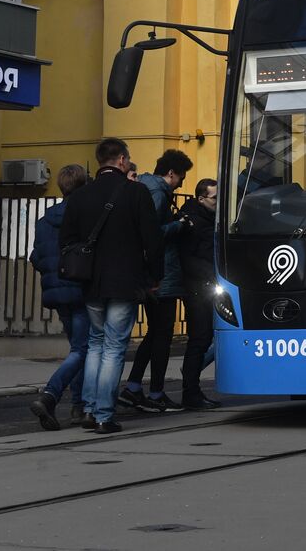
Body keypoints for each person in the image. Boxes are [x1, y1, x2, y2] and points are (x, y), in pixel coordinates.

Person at [62, 138, 161, 434]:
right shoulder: (136, 193)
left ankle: (90, 410)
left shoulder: (80, 196)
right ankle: (105, 414)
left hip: (91, 282)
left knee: (95, 343)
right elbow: (152, 240)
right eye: (128, 159)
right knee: (115, 346)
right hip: (124, 281)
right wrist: (155, 276)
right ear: (121, 160)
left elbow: (66, 239)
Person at [120, 150, 192, 413]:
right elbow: (152, 233)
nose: (182, 183)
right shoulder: (158, 193)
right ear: (171, 173)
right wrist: (179, 224)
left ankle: (135, 387)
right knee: (162, 335)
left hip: (154, 273)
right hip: (162, 274)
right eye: (181, 177)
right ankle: (155, 392)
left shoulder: (146, 187)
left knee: (155, 334)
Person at [28, 164, 90, 431]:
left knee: (78, 347)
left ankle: (78, 404)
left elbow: (36, 257)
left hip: (56, 290)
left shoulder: (45, 219)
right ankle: (51, 395)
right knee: (82, 348)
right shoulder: (84, 215)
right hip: (80, 287)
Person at [176, 178, 221, 409]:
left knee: (207, 338)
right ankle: (190, 391)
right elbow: (188, 258)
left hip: (206, 285)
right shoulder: (193, 221)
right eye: (214, 198)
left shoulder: (207, 218)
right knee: (200, 338)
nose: (218, 201)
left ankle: (191, 389)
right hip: (198, 288)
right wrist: (212, 274)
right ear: (202, 199)